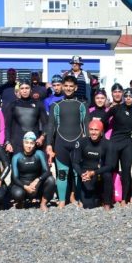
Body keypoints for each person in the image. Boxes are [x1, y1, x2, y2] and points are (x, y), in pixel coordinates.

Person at [45, 75, 88, 207]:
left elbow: (86, 125)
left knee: (76, 173)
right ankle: (62, 200)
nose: (68, 88)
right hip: (61, 144)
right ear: (62, 87)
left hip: (77, 144)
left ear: (76, 88)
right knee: (62, 173)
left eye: (71, 86)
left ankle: (78, 198)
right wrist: (49, 145)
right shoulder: (55, 105)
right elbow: (51, 126)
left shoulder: (82, 105)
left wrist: (87, 145)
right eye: (66, 86)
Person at [107, 88, 132, 205]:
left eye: (130, 97)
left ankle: (125, 198)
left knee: (126, 171)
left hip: (127, 143)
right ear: (123, 97)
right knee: (112, 169)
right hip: (114, 142)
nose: (128, 99)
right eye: (126, 97)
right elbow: (104, 119)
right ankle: (110, 195)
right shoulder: (116, 108)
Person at [72, 119, 115, 209]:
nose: (93, 132)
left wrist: (94, 173)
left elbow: (110, 166)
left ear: (101, 131)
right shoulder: (82, 142)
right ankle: (97, 197)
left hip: (99, 173)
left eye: (96, 130)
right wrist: (82, 174)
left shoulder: (108, 144)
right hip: (86, 174)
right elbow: (75, 163)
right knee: (88, 206)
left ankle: (107, 202)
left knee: (107, 175)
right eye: (91, 129)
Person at [9, 131, 56, 210]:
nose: (29, 146)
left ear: (34, 144)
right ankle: (20, 202)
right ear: (23, 142)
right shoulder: (16, 157)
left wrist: (37, 180)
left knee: (51, 180)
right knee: (18, 193)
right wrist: (25, 187)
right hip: (23, 186)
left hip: (37, 186)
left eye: (31, 143)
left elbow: (47, 171)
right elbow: (15, 178)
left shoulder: (39, 154)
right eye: (26, 143)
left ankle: (43, 203)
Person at [4, 79, 47, 154]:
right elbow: (7, 126)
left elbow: (46, 124)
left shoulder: (38, 104)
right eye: (22, 88)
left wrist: (42, 138)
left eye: (27, 88)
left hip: (33, 143)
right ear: (19, 90)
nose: (24, 91)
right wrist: (8, 142)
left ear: (31, 90)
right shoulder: (13, 105)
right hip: (17, 144)